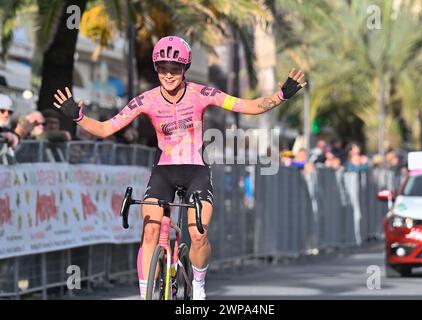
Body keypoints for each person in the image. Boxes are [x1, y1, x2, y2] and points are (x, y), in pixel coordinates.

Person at [52, 36, 307, 300]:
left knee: (198, 234)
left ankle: (198, 282)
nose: (169, 75)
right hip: (164, 170)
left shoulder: (201, 93)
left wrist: (280, 96)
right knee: (150, 230)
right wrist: (78, 117)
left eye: (175, 69)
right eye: (163, 69)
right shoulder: (146, 100)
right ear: (156, 69)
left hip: (195, 170)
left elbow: (248, 106)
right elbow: (106, 128)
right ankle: (146, 294)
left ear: (184, 69)